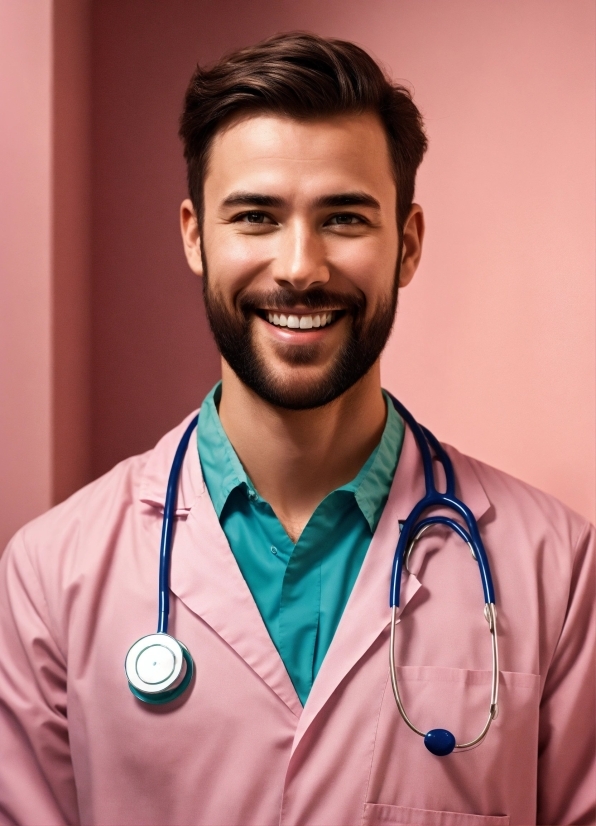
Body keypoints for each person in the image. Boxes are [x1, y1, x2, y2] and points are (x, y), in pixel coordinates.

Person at [0, 32, 594, 826]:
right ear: (194, 236)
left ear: (407, 245)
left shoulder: (555, 570)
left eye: (344, 217)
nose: (300, 266)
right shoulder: (51, 576)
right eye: (255, 216)